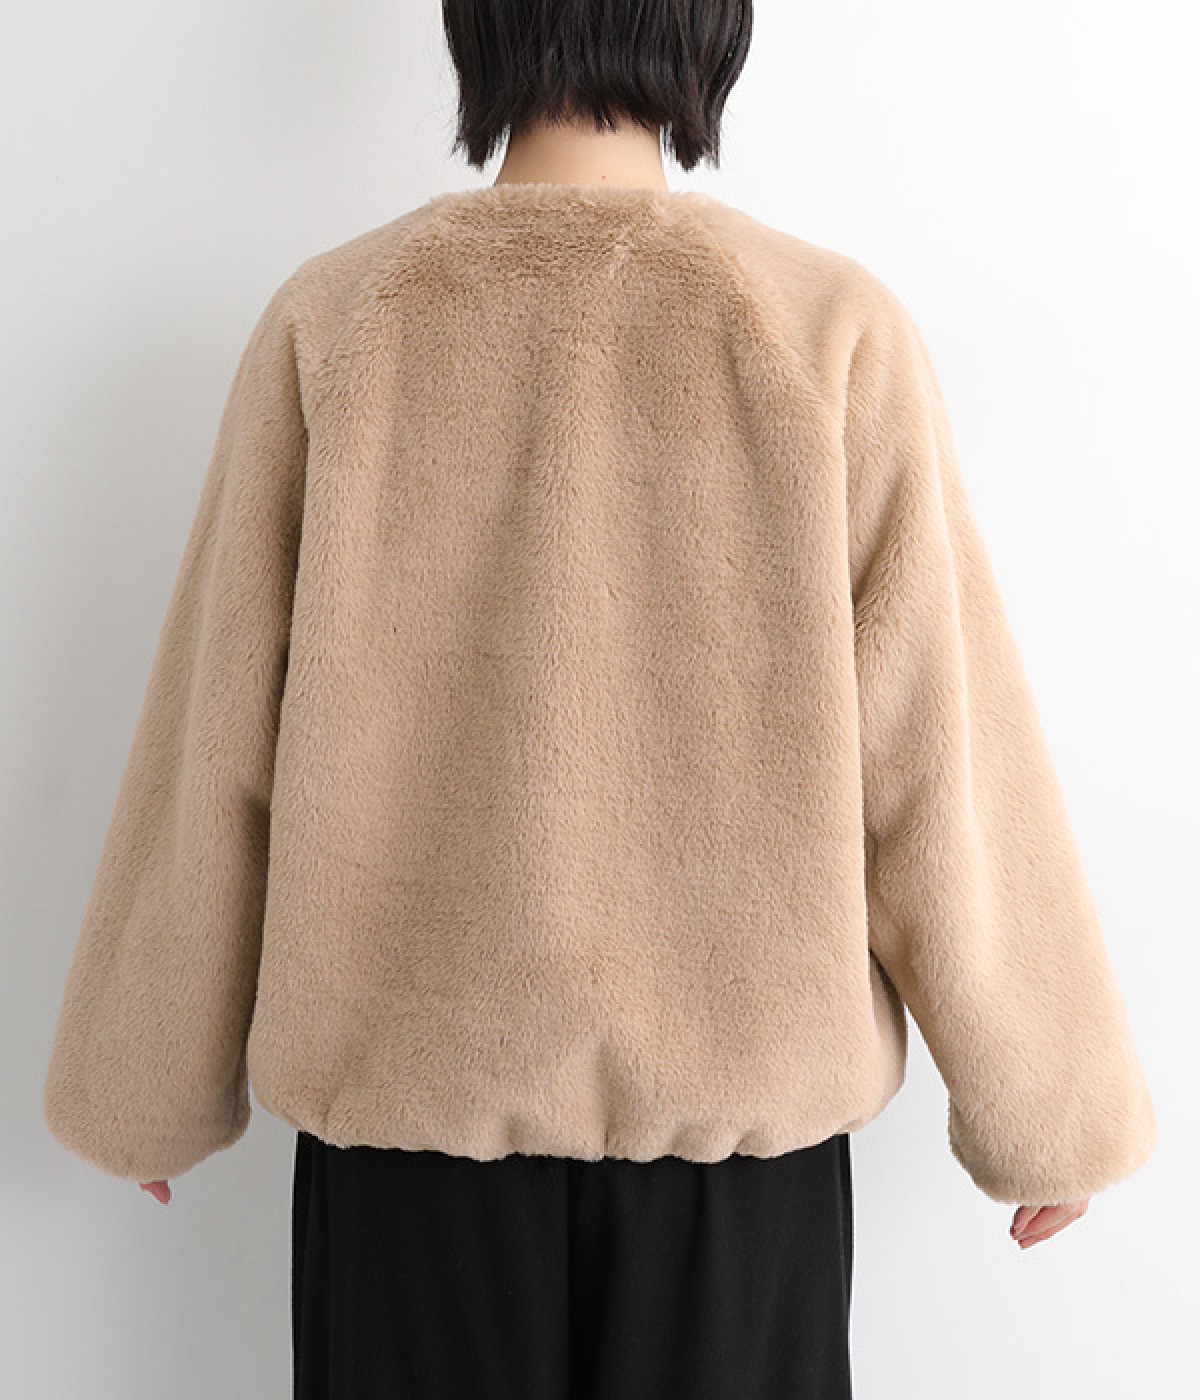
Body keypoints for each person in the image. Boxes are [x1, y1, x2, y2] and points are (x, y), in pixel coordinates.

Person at [43, 1, 1157, 1395]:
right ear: (711, 30)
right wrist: (1043, 1104)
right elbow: (938, 752)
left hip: (409, 1181)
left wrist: (144, 1078)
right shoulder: (823, 327)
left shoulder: (336, 322)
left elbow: (218, 738)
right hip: (735, 1187)